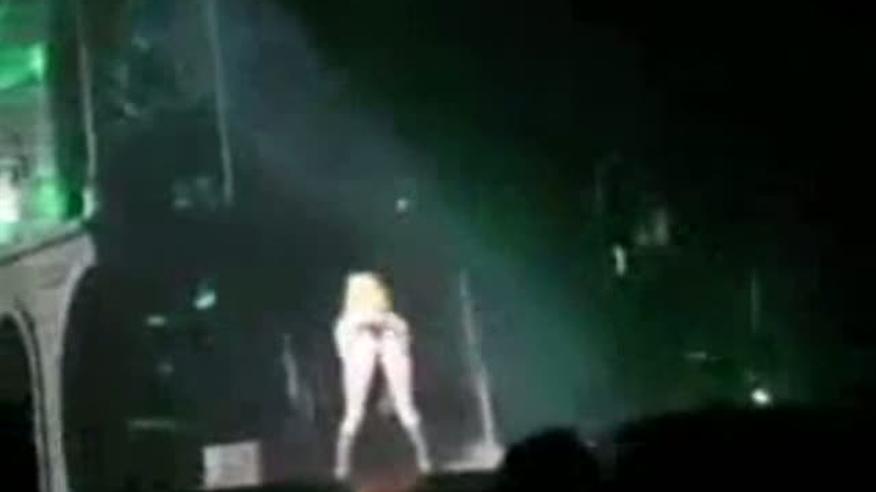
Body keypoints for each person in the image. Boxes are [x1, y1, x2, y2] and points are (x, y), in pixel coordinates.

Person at [333, 271, 432, 479]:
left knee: (400, 408)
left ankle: (425, 462)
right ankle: (342, 468)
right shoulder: (353, 324)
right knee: (357, 412)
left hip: (379, 334)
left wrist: (388, 392)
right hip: (367, 335)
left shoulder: (387, 324)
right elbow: (347, 351)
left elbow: (402, 343)